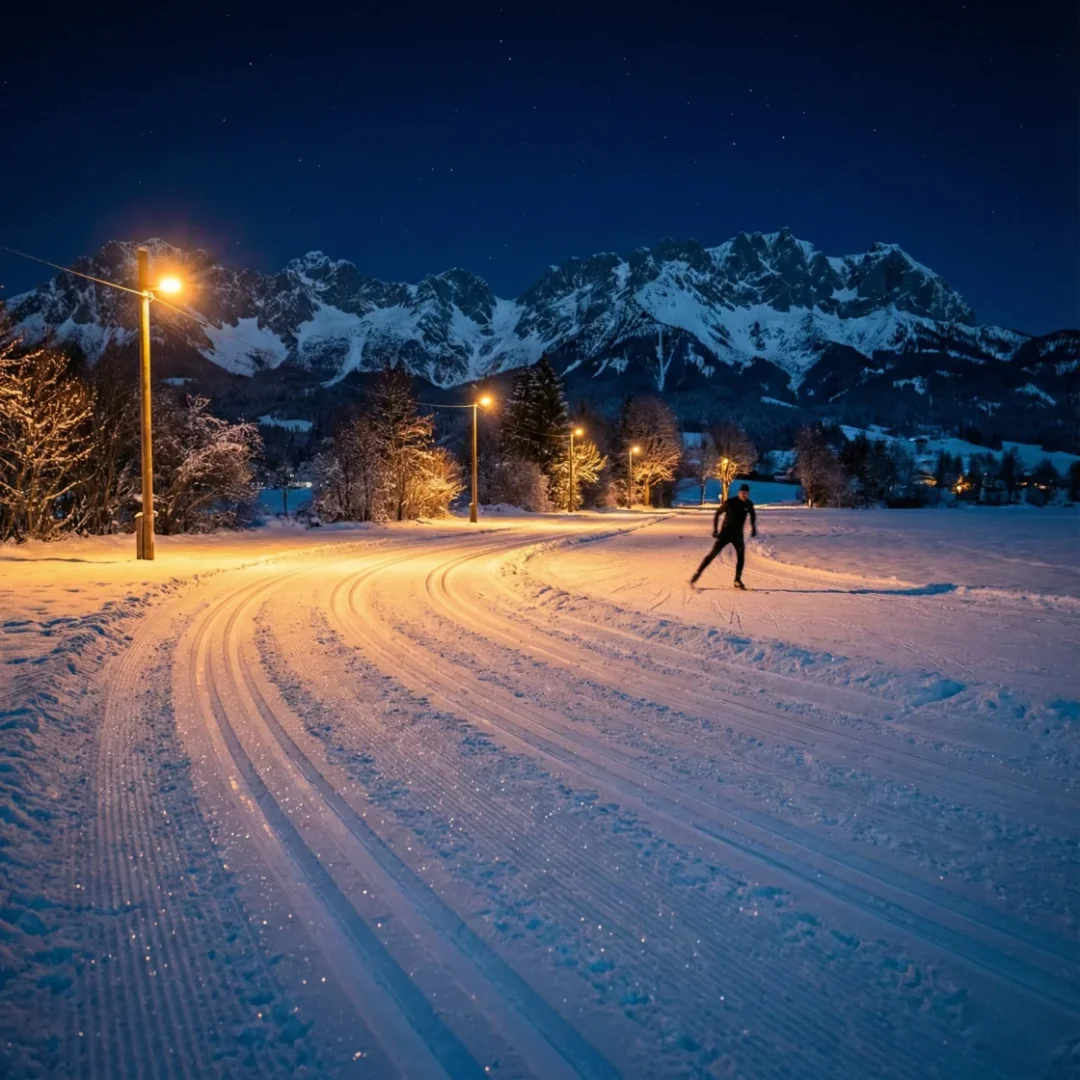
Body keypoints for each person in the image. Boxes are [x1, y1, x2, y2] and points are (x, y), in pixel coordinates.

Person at [690, 483, 757, 589]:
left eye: (747, 494)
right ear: (739, 493)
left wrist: (753, 528)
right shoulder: (730, 502)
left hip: (738, 535)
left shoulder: (748, 504)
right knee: (712, 555)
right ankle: (697, 575)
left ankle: (737, 580)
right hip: (725, 534)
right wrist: (715, 530)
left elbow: (753, 515)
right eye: (743, 493)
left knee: (741, 557)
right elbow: (717, 514)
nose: (745, 495)